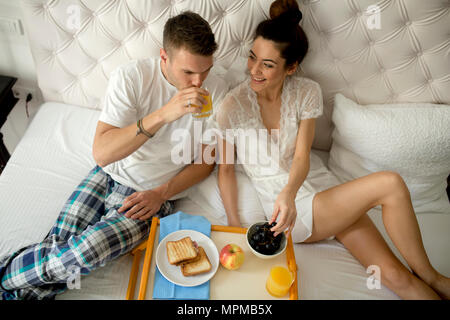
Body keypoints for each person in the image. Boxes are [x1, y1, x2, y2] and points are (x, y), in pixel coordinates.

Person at [214, 0, 450, 300]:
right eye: (252, 57)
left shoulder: (306, 92)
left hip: (328, 195)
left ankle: (427, 281)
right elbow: (224, 170)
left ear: (292, 67)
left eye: (268, 64)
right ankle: (432, 275)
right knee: (389, 183)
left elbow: (302, 156)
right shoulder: (231, 107)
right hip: (292, 215)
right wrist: (235, 226)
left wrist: (290, 188)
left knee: (395, 277)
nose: (254, 71)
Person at [0, 11, 228, 300]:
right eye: (189, 72)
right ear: (164, 57)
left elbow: (206, 163)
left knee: (86, 250)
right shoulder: (132, 77)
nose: (198, 82)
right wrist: (163, 115)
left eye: (205, 70)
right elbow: (102, 154)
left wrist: (161, 193)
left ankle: (5, 280)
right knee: (61, 246)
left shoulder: (218, 91)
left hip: (151, 196)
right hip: (107, 175)